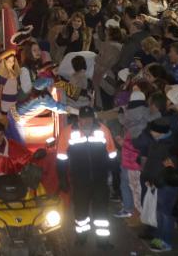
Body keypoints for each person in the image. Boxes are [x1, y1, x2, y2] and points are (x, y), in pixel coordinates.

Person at [56, 106, 116, 248]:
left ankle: (103, 242)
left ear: (93, 118)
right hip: (80, 180)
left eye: (89, 118)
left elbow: (112, 154)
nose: (86, 121)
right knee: (81, 211)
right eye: (84, 119)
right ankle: (81, 238)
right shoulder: (68, 132)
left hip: (100, 179)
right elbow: (61, 158)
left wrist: (115, 176)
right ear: (79, 119)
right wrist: (62, 178)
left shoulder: (103, 130)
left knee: (101, 212)